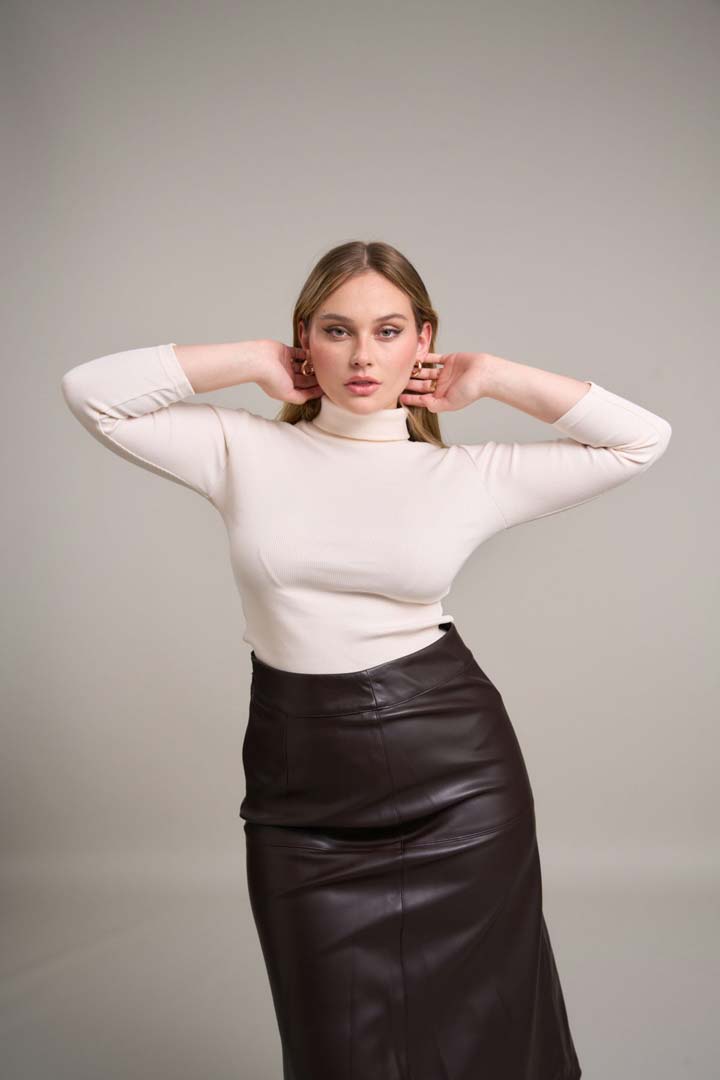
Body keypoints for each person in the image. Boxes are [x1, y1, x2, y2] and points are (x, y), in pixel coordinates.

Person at [60, 240, 672, 1080]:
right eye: (336, 330)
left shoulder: (465, 475)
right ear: (305, 339)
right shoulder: (241, 450)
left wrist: (491, 376)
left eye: (387, 331)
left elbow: (640, 439)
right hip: (301, 790)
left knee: (483, 1031)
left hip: (455, 784)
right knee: (333, 1045)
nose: (362, 356)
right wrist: (253, 360)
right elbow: (91, 394)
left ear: (424, 340)